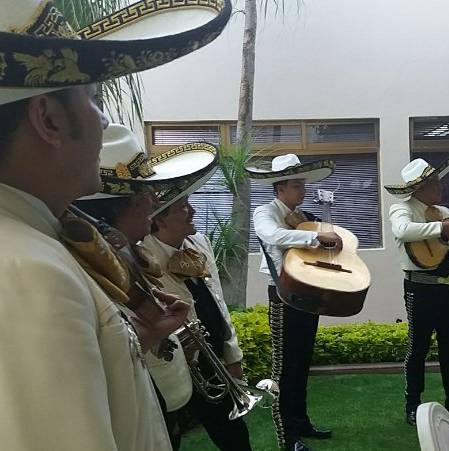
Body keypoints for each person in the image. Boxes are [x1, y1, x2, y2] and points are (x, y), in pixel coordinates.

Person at [0, 1, 232, 449]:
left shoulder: (36, 244)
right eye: (91, 98)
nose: (104, 120)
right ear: (48, 119)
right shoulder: (29, 271)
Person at [76, 123, 226, 450]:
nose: (153, 202)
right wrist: (155, 334)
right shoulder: (83, 267)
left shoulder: (127, 251)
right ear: (120, 206)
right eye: (147, 193)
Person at [385, 155, 449, 426]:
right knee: (417, 349)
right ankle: (412, 404)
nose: (440, 189)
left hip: (447, 288)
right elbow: (402, 230)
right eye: (435, 184)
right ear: (421, 187)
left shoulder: (445, 212)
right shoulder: (402, 209)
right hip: (419, 288)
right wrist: (439, 227)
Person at [144, 195, 252, 451]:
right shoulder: (142, 255)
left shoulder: (199, 242)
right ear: (160, 219)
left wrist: (232, 354)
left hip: (212, 358)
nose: (193, 211)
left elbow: (218, 302)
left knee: (235, 436)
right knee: (169, 438)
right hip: (174, 362)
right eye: (183, 207)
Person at [247, 154, 340, 451]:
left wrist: (330, 239)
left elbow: (319, 246)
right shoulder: (265, 212)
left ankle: (301, 422)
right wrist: (314, 239)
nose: (302, 191)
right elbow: (271, 235)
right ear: (280, 188)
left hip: (307, 293)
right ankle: (287, 436)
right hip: (283, 294)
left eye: (302, 185)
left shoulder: (303, 216)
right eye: (297, 186)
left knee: (302, 363)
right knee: (285, 368)